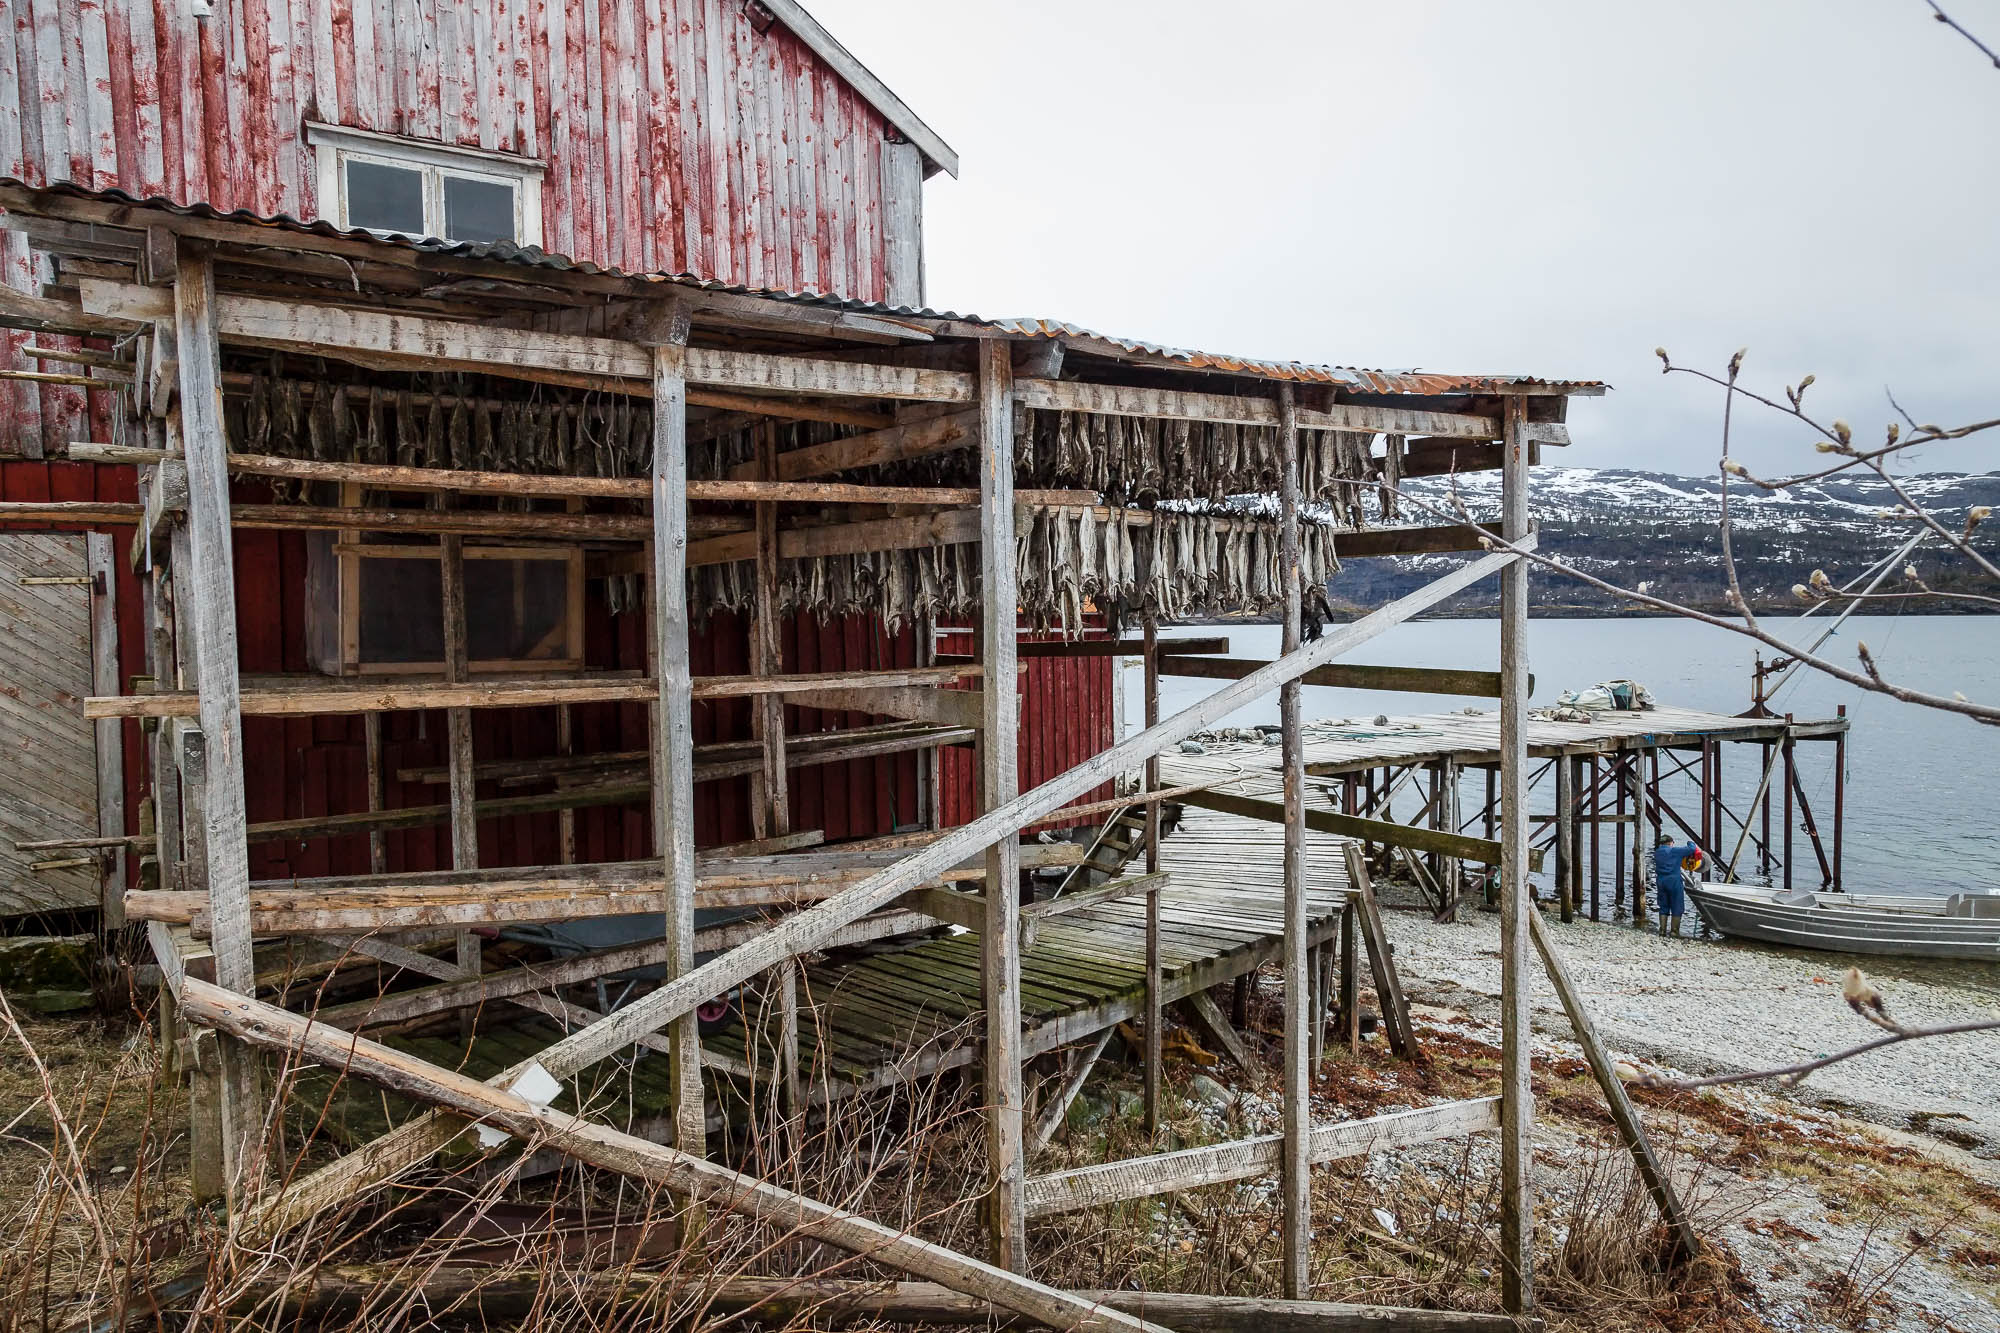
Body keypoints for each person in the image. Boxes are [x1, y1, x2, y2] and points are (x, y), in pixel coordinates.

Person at [1651, 834, 1703, 937]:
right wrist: (1690, 842)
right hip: (1674, 881)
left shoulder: (1657, 853)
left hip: (1661, 881)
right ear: (1670, 843)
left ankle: (1662, 931)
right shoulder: (1674, 851)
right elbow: (1692, 848)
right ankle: (1674, 932)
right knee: (1677, 905)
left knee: (1663, 905)